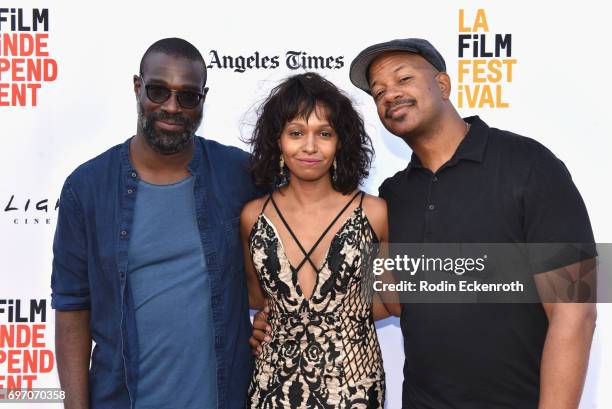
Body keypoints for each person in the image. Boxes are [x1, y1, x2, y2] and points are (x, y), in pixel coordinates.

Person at [252, 38, 597, 409]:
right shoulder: (393, 196)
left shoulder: (529, 165)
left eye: (403, 79)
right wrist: (285, 317)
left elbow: (574, 309)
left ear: (443, 85)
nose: (390, 94)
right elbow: (385, 298)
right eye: (379, 91)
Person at [51, 38, 258, 409]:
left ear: (203, 98)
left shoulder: (239, 174)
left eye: (188, 96)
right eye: (158, 91)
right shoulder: (87, 188)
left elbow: (299, 235)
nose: (172, 107)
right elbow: (72, 307)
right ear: (137, 86)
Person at [240, 72, 395, 408]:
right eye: (296, 133)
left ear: (341, 142)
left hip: (355, 386)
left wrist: (343, 315)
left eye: (324, 133)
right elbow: (257, 298)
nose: (310, 146)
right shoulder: (253, 216)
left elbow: (391, 301)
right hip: (271, 387)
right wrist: (267, 321)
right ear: (277, 141)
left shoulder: (374, 213)